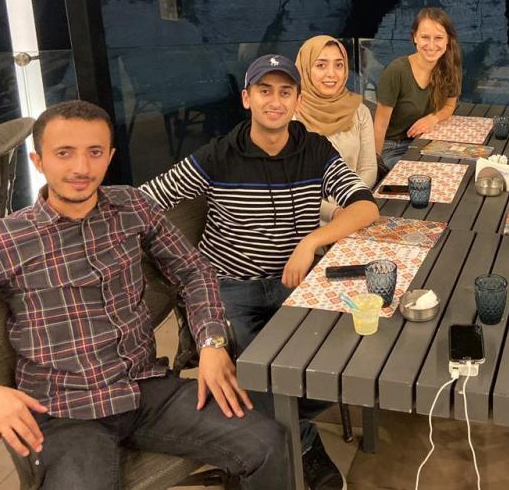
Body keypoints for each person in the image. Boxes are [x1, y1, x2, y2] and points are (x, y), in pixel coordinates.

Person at [0, 101, 290, 490]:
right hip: (65, 411)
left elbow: (194, 270)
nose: (80, 168)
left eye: (94, 152)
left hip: (146, 389)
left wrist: (210, 341)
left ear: (110, 156)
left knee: (269, 443)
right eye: (64, 153)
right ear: (38, 161)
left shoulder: (132, 205)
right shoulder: (0, 240)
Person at [141, 54, 379, 490]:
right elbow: (147, 199)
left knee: (349, 363)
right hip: (230, 289)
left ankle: (260, 413)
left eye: (285, 92)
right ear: (246, 98)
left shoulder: (314, 150)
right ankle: (304, 445)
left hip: (294, 286)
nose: (275, 100)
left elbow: (364, 205)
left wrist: (312, 242)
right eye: (264, 91)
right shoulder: (218, 155)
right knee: (264, 372)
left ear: (297, 100)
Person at [295, 35, 377, 221]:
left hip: (353, 206)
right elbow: (292, 188)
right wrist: (334, 211)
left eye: (338, 65)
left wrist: (348, 200)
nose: (332, 74)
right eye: (321, 65)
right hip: (304, 221)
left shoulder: (359, 111)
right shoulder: (291, 116)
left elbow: (369, 168)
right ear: (305, 69)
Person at [373, 7, 463, 168]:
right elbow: (379, 125)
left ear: (448, 39)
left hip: (427, 141)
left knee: (459, 166)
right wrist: (375, 166)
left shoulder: (450, 67)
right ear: (414, 37)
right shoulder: (396, 71)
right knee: (421, 176)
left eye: (438, 38)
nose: (431, 44)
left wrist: (433, 119)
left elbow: (450, 106)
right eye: (425, 37)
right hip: (392, 147)